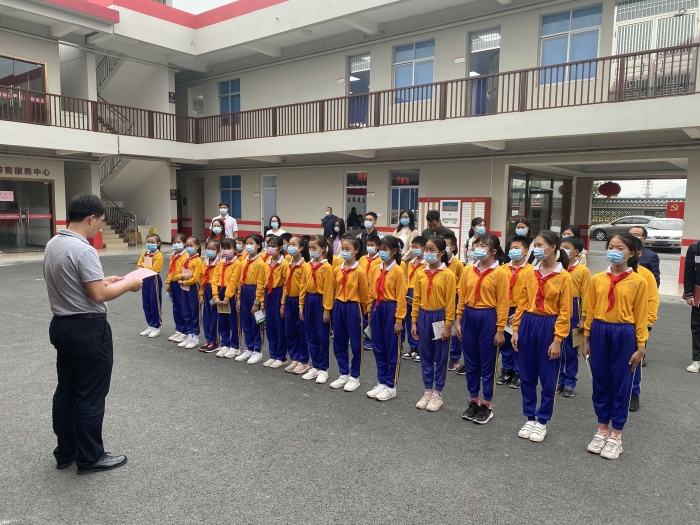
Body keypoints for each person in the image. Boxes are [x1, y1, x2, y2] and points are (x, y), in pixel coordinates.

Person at [45, 193, 143, 474]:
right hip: (87, 328)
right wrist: (129, 284)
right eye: (100, 220)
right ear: (91, 218)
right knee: (90, 394)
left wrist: (105, 280)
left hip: (62, 324)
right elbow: (98, 294)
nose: (100, 226)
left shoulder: (54, 243)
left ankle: (66, 452)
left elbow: (80, 283)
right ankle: (90, 457)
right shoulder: (83, 249)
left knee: (66, 390)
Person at [583, 233, 648, 460]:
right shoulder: (597, 279)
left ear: (631, 253)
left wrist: (641, 346)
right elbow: (590, 311)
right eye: (611, 246)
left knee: (621, 384)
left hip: (624, 333)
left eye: (620, 248)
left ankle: (616, 436)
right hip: (600, 331)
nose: (614, 251)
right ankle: (601, 430)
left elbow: (641, 316)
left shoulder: (639, 281)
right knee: (600, 382)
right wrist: (586, 339)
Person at [512, 231, 572, 443]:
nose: (536, 249)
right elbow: (522, 301)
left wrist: (557, 340)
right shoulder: (530, 273)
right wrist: (516, 329)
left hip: (549, 325)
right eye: (535, 245)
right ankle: (529, 417)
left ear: (553, 247)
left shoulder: (564, 277)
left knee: (548, 377)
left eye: (540, 245)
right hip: (529, 322)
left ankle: (542, 420)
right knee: (527, 375)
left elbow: (565, 312)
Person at [456, 234, 509, 425]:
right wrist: (459, 319)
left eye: (483, 246)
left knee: (487, 363)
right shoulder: (468, 270)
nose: (478, 248)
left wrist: (500, 329)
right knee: (471, 362)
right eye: (476, 245)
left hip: (488, 317)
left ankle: (487, 403)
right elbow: (462, 296)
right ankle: (473, 400)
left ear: (493, 251)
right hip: (469, 315)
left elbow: (503, 303)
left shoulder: (500, 273)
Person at [411, 238, 457, 413]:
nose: (427, 253)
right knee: (426, 355)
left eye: (432, 250)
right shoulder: (420, 273)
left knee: (441, 356)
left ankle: (438, 393)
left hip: (440, 316)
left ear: (441, 253)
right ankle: (427, 390)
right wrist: (414, 321)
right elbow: (416, 299)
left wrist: (448, 325)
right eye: (426, 249)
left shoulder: (448, 275)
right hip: (424, 315)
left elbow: (450, 302)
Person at [367, 236, 407, 402]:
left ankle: (391, 385)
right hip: (377, 307)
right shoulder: (375, 269)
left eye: (386, 249)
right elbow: (371, 292)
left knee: (392, 349)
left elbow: (401, 297)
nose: (382, 252)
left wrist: (399, 319)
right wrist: (370, 312)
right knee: (378, 347)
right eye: (380, 248)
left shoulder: (398, 271)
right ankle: (381, 381)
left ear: (394, 251)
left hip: (391, 308)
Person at [330, 235, 370, 392]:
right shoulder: (337, 269)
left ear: (356, 251)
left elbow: (364, 295)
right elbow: (334, 289)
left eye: (348, 249)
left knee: (355, 343)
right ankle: (343, 373)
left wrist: (366, 313)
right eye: (343, 248)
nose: (344, 251)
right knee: (339, 342)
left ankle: (355, 376)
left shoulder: (360, 271)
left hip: (354, 307)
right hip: (339, 306)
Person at [557, 236, 591, 398]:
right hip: (557, 309)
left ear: (576, 252)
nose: (562, 249)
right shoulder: (557, 267)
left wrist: (583, 318)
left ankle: (570, 381)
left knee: (571, 348)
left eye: (566, 247)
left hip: (574, 308)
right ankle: (558, 378)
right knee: (556, 344)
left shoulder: (583, 271)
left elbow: (587, 296)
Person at [497, 235, 532, 389]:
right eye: (511, 248)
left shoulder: (531, 271)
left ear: (526, 251)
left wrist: (520, 311)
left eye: (517, 248)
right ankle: (507, 369)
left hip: (521, 310)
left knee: (519, 342)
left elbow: (532, 295)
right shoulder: (502, 269)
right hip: (504, 309)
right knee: (505, 342)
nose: (513, 251)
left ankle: (519, 371)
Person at [629, 235, 659, 412]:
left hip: (637, 325)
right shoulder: (607, 274)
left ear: (637, 253)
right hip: (612, 326)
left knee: (634, 360)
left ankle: (633, 393)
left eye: (622, 249)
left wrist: (648, 323)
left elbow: (653, 300)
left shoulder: (645, 275)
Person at [300, 235, 335, 384]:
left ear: (323, 249)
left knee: (322, 336)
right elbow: (303, 286)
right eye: (310, 248)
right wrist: (301, 305)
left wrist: (327, 310)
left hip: (320, 301)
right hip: (309, 300)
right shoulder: (307, 266)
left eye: (314, 248)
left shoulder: (327, 268)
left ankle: (323, 369)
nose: (311, 250)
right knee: (310, 335)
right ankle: (315, 365)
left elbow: (329, 290)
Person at [282, 236, 311, 375]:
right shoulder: (288, 264)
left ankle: (303, 361)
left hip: (299, 301)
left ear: (301, 248)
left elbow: (304, 287)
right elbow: (285, 285)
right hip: (289, 300)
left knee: (301, 332)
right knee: (290, 331)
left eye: (293, 244)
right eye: (289, 244)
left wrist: (301, 304)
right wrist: (283, 303)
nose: (290, 247)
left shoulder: (305, 266)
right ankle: (295, 358)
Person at [236, 234, 266, 364]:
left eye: (251, 243)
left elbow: (261, 283)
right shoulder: (243, 262)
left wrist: (257, 301)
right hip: (244, 291)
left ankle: (257, 350)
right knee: (245, 321)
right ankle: (249, 347)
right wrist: (238, 298)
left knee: (256, 322)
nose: (248, 245)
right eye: (247, 243)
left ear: (258, 246)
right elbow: (239, 281)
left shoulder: (261, 263)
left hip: (254, 292)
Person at [262, 235, 289, 368]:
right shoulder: (266, 263)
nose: (270, 248)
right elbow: (262, 282)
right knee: (270, 326)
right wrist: (261, 301)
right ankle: (272, 354)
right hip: (268, 294)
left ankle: (281, 356)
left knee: (280, 327)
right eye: (269, 246)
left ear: (280, 248)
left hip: (279, 293)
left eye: (273, 246)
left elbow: (286, 285)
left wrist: (283, 303)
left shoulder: (284, 264)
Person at [212, 239, 242, 358]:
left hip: (230, 294)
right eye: (223, 248)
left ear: (234, 249)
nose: (225, 251)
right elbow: (214, 279)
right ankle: (225, 344)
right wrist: (215, 296)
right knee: (222, 320)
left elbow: (233, 282)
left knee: (233, 321)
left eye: (228, 248)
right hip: (220, 291)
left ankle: (235, 346)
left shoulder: (237, 264)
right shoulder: (220, 263)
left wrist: (227, 297)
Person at [175, 237, 204, 350]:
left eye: (191, 246)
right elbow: (177, 273)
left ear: (197, 246)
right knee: (186, 311)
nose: (188, 248)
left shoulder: (198, 261)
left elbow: (195, 278)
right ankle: (189, 334)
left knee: (194, 311)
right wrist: (182, 277)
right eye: (187, 246)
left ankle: (195, 336)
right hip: (184, 287)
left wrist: (184, 281)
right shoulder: (185, 259)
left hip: (192, 288)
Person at [402, 236, 428, 362]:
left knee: (419, 321)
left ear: (423, 248)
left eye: (416, 247)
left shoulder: (426, 264)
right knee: (409, 320)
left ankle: (421, 348)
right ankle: (413, 347)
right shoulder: (411, 263)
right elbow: (408, 278)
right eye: (412, 247)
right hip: (410, 292)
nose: (414, 249)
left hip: (420, 292)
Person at [444, 233, 465, 373]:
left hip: (455, 296)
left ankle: (455, 356)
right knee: (442, 323)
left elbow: (461, 283)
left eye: (446, 245)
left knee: (455, 324)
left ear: (452, 247)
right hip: (442, 296)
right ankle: (441, 353)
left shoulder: (457, 264)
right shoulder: (438, 262)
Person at [137, 234, 164, 339]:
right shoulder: (144, 254)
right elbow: (138, 266)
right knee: (146, 303)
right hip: (145, 279)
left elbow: (154, 269)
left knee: (155, 303)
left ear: (158, 243)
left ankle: (156, 326)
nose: (150, 244)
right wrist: (144, 267)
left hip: (154, 279)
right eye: (148, 242)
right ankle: (150, 324)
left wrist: (144, 266)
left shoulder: (158, 255)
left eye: (152, 242)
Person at [198, 239, 220, 352]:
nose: (210, 251)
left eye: (213, 249)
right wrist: (201, 294)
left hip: (214, 290)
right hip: (206, 289)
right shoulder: (204, 263)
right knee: (206, 315)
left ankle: (215, 341)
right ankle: (208, 339)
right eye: (208, 248)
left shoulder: (219, 263)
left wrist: (216, 295)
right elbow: (202, 279)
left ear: (218, 251)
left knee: (214, 316)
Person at [166, 234, 187, 343]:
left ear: (184, 243)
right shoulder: (173, 255)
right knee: (176, 307)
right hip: (173, 283)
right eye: (174, 242)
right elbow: (170, 270)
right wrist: (168, 282)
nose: (176, 244)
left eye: (178, 242)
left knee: (184, 307)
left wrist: (183, 281)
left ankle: (185, 331)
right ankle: (178, 329)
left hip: (181, 283)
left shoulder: (186, 256)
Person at [684, 239, 700, 373]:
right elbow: (689, 271)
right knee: (697, 328)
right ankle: (697, 360)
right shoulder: (695, 248)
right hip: (698, 293)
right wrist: (689, 294)